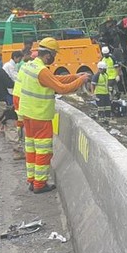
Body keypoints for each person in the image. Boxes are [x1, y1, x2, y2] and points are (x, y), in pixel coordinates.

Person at [18, 37, 90, 193]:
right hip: (40, 116)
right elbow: (62, 89)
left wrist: (74, 77)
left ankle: (32, 180)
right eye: (54, 55)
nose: (55, 58)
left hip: (27, 115)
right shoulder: (42, 71)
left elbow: (54, 80)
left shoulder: (29, 66)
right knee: (44, 151)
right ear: (48, 55)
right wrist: (82, 80)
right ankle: (40, 184)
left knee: (31, 149)